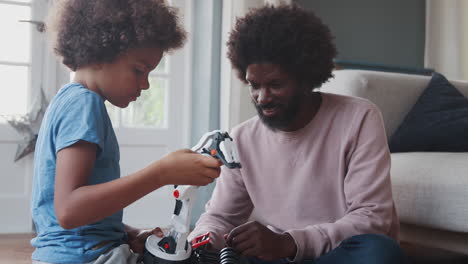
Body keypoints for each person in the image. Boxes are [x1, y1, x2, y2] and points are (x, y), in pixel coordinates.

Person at [189, 4, 408, 264]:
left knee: (378, 251)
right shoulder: (241, 139)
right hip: (278, 257)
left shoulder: (359, 118)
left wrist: (290, 243)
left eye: (275, 84)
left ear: (306, 79)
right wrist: (200, 239)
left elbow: (372, 219)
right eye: (254, 85)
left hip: (337, 254)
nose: (262, 98)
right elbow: (221, 217)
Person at [30, 1, 222, 263]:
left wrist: (127, 233)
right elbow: (69, 210)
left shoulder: (69, 101)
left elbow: (77, 219)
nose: (145, 84)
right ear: (98, 53)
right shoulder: (84, 104)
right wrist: (161, 173)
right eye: (139, 70)